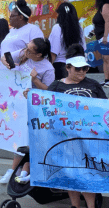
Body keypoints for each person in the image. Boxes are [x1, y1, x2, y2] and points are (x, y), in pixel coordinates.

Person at [47, 44, 106, 208]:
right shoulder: (56, 86)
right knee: (72, 174)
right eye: (78, 69)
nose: (81, 72)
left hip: (90, 137)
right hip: (66, 139)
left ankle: (91, 206)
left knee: (88, 174)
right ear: (67, 67)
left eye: (85, 69)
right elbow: (45, 107)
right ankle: (75, 206)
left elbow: (104, 108)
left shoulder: (94, 84)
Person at [0, 38, 55, 184]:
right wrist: (7, 63)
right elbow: (5, 56)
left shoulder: (48, 68)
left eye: (29, 51)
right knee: (19, 138)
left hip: (34, 109)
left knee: (26, 139)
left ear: (39, 55)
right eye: (26, 48)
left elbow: (49, 91)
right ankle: (16, 170)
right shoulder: (25, 55)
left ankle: (17, 171)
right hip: (16, 103)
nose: (25, 51)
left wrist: (35, 80)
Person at [0, 0, 44, 69]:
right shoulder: (11, 31)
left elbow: (37, 49)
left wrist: (11, 57)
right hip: (4, 72)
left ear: (21, 17)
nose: (9, 18)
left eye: (12, 16)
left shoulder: (33, 29)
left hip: (20, 72)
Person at [49, 2, 85, 80]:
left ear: (60, 15)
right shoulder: (79, 28)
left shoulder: (57, 28)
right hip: (77, 65)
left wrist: (48, 68)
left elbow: (54, 52)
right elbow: (83, 49)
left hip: (61, 66)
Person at [93, 0, 109, 87]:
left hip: (105, 36)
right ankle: (106, 79)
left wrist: (105, 36)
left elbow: (108, 22)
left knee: (107, 58)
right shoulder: (100, 8)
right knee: (104, 58)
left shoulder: (105, 6)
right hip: (99, 35)